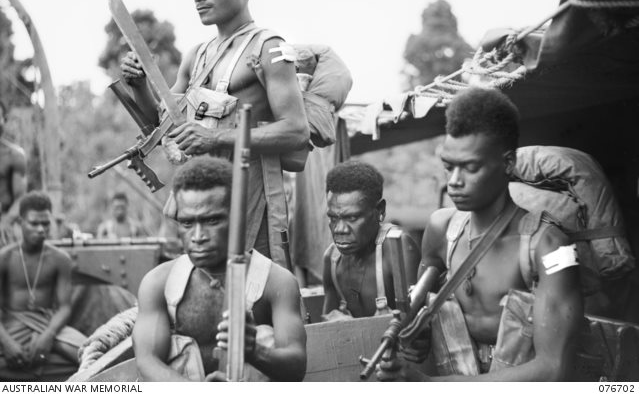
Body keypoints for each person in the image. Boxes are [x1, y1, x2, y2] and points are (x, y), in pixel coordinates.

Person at [121, 0, 309, 267]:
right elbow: (163, 127)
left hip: (252, 207)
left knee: (258, 304)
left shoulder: (268, 49)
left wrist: (214, 136)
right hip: (201, 211)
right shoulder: (196, 56)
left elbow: (296, 132)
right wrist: (139, 86)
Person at [377, 87, 583, 381]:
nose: (454, 182)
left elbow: (553, 369)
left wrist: (425, 384)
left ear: (508, 164)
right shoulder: (440, 230)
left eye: (470, 168)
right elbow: (419, 320)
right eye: (448, 167)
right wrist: (417, 337)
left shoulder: (547, 247)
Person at [132, 156, 307, 381]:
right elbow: (147, 362)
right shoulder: (158, 283)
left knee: (264, 337)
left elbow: (296, 368)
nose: (197, 237)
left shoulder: (276, 282)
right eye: (187, 223)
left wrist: (254, 351)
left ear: (237, 218)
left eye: (212, 221)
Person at [0, 191, 85, 381]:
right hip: (12, 324)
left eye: (46, 223)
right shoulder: (4, 258)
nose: (41, 229)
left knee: (91, 356)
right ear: (21, 222)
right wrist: (7, 343)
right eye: (34, 223)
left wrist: (48, 336)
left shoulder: (60, 259)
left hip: (48, 323)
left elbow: (64, 307)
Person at [321, 161, 421, 320]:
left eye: (352, 218)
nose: (340, 229)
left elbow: (416, 324)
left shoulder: (397, 248)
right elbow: (327, 329)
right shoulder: (332, 260)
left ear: (380, 210)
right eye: (333, 218)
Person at [0, 100, 27, 240]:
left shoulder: (15, 155)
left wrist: (5, 222)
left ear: (3, 120)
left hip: (4, 221)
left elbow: (20, 198)